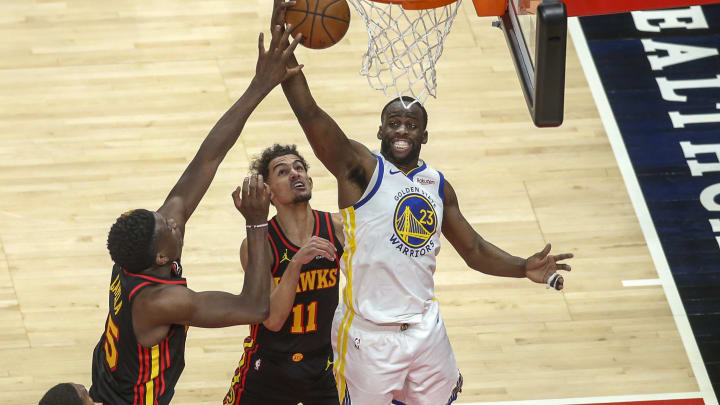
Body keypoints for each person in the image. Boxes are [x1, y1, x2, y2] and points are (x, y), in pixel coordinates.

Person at [269, 1, 574, 404]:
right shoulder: (359, 170)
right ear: (380, 129)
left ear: (424, 137)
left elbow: (475, 250)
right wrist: (281, 34)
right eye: (394, 122)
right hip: (369, 338)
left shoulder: (437, 186)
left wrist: (523, 268)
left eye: (411, 125)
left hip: (426, 329)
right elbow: (309, 113)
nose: (401, 129)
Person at [85, 23, 305, 405]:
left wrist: (260, 85)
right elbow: (254, 306)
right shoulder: (162, 302)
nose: (173, 218)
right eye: (167, 226)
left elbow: (208, 158)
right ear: (161, 256)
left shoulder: (137, 256)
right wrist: (256, 222)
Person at [223, 144, 343, 405]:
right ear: (268, 193)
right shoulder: (258, 244)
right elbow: (273, 320)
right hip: (269, 366)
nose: (294, 174)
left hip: (324, 365)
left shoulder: (336, 227)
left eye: (299, 168)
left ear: (310, 181)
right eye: (282, 171)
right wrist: (297, 261)